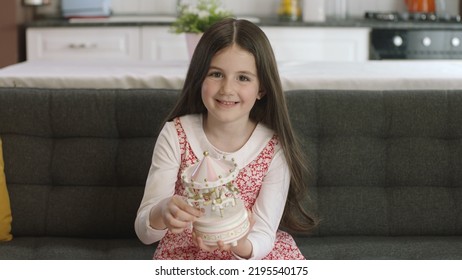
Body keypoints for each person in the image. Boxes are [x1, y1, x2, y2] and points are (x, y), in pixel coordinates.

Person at [134, 18, 317, 260]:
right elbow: (145, 233)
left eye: (243, 78)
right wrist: (162, 213)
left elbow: (263, 233)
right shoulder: (175, 134)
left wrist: (239, 245)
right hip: (183, 256)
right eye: (217, 74)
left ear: (261, 88)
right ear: (200, 77)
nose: (227, 89)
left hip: (248, 255)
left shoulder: (274, 148)